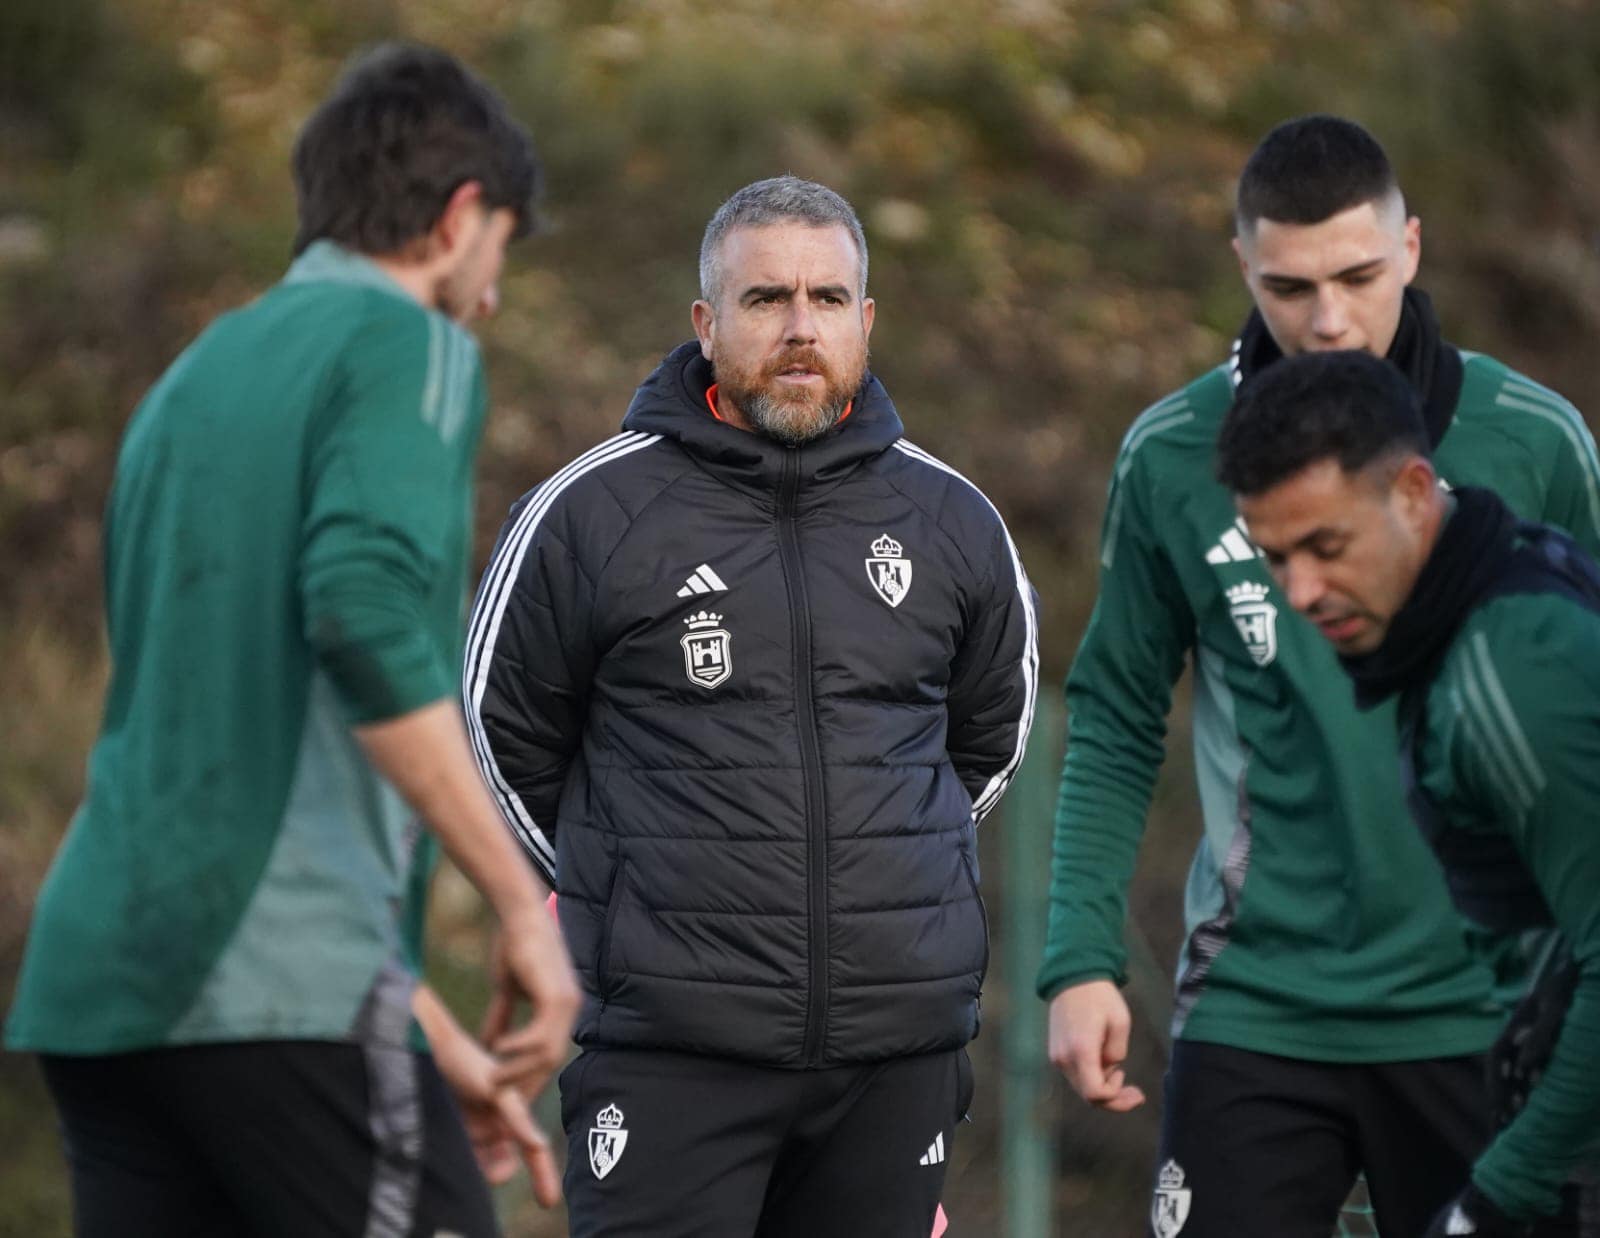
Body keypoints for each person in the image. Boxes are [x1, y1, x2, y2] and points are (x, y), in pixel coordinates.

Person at [4, 43, 579, 1238]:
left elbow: (234, 762)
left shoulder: (190, 378)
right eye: (501, 256)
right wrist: (524, 906)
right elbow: (362, 614)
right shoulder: (408, 347)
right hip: (274, 998)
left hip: (105, 992)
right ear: (460, 216)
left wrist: (420, 1029)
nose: (491, 297)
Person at [1037, 113, 1600, 1236]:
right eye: (1292, 285)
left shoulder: (1534, 443)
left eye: (1358, 274)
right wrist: (1077, 955)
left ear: (1411, 251)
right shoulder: (1169, 455)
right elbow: (1111, 712)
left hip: (1484, 1008)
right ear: (1244, 265)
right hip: (1257, 1003)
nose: (1330, 318)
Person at [464, 174, 1038, 1237]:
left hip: (893, 1051)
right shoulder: (587, 513)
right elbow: (501, 744)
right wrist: (626, 885)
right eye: (766, 298)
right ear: (705, 322)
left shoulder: (952, 519)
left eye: (827, 298)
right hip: (670, 1051)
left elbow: (984, 746)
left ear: (865, 320)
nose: (799, 326)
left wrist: (884, 874)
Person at [1218, 346, 1600, 1237]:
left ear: (1415, 493)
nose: (1302, 591)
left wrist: (1499, 1194)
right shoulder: (1486, 597)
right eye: (1275, 558)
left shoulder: (1513, 668)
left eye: (1327, 546)